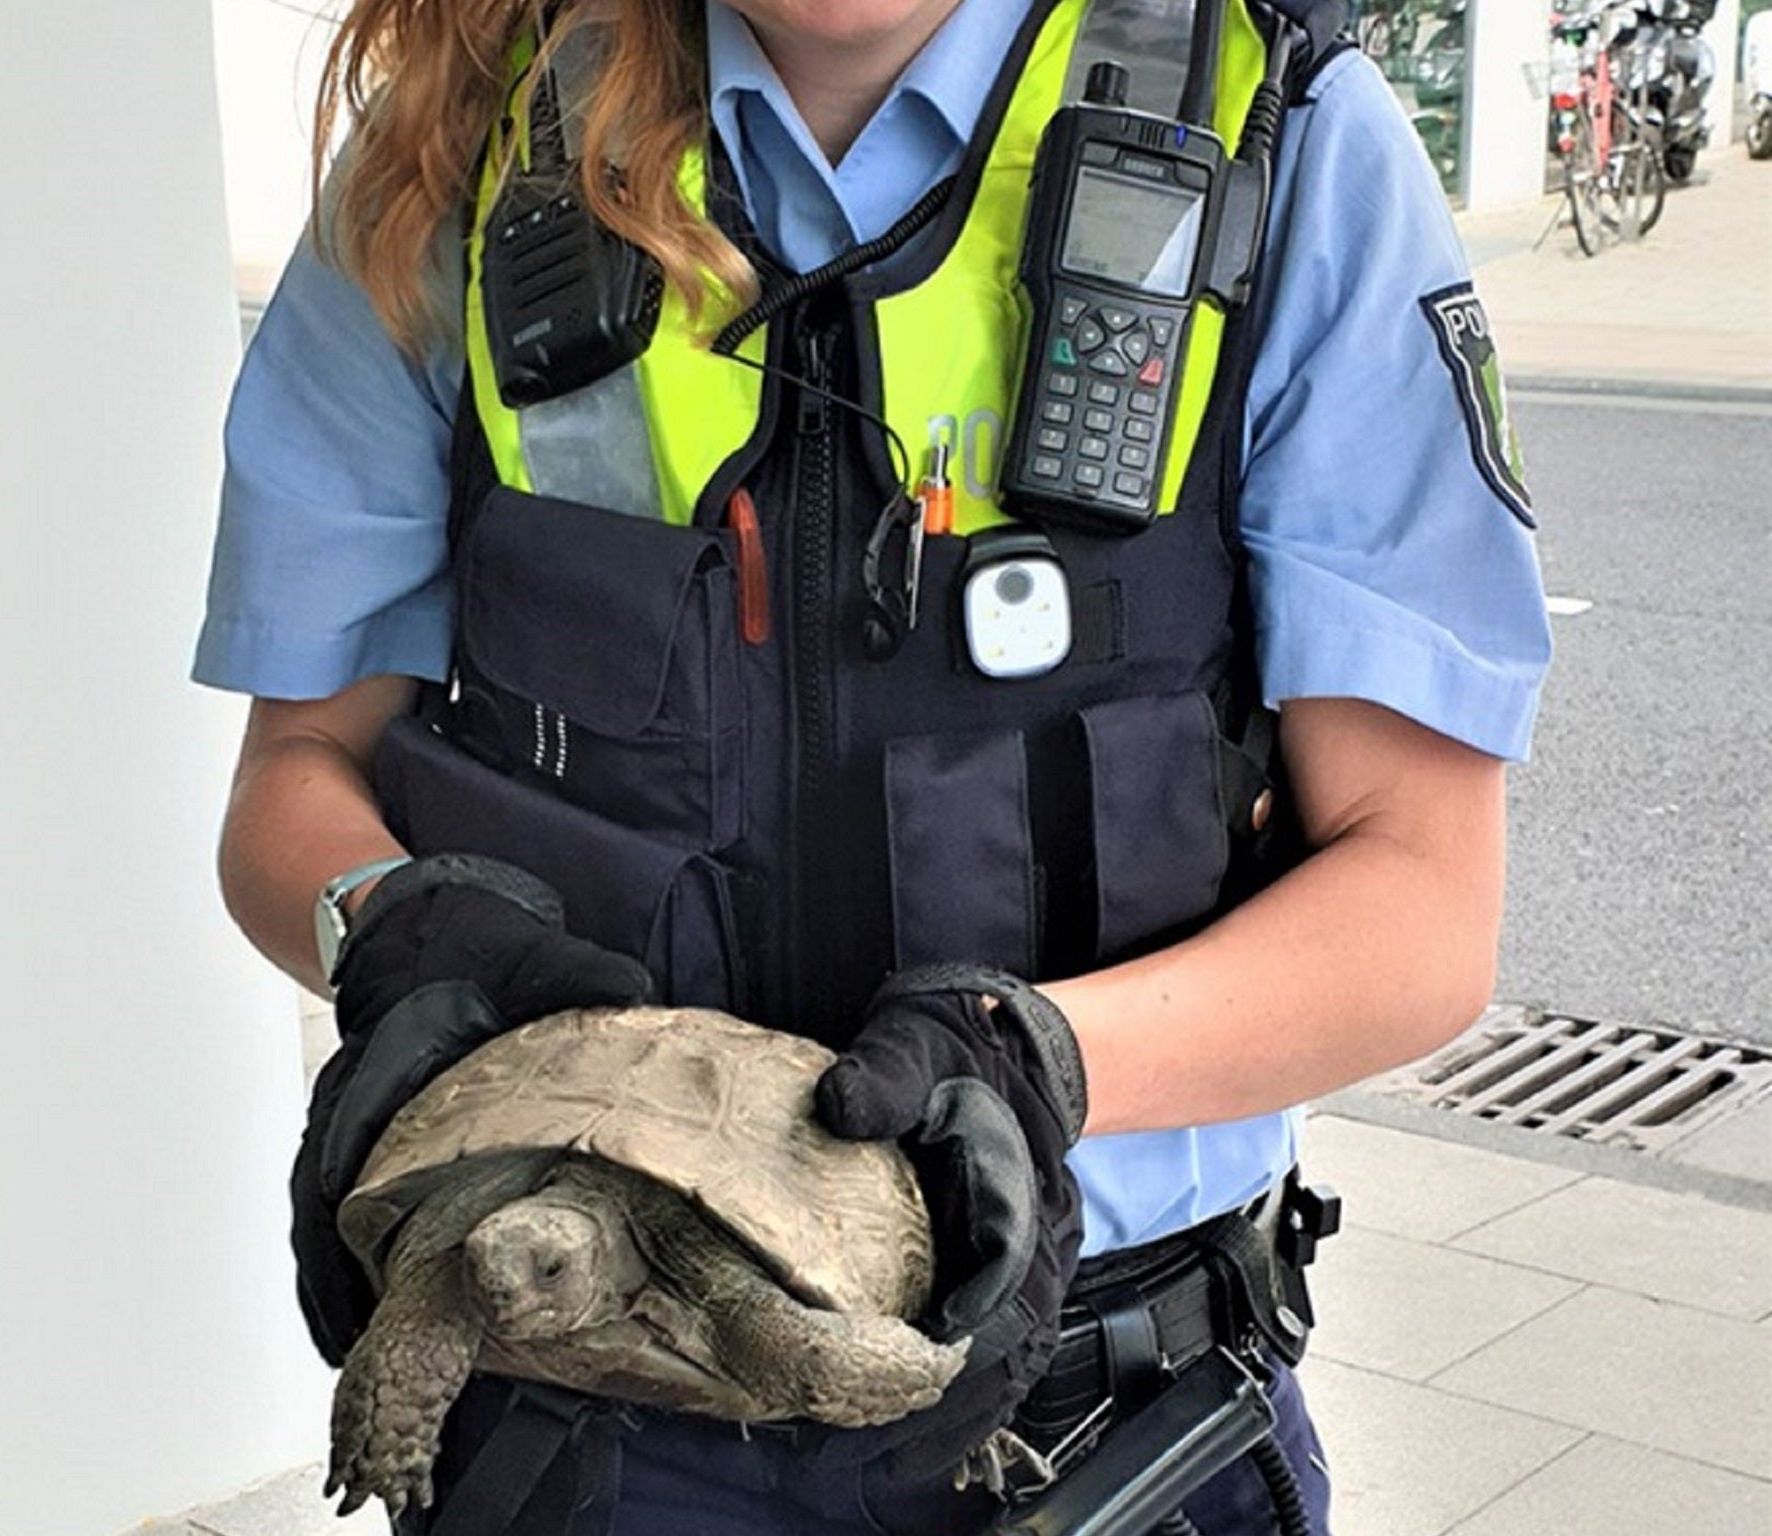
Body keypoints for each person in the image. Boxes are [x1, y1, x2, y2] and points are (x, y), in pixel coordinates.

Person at [193, 1, 1551, 1532]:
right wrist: (383, 926)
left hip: (1091, 1420)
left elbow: (1424, 909)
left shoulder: (1284, 139)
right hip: (581, 1386)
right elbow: (294, 775)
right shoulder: (457, 155)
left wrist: (1038, 1062)